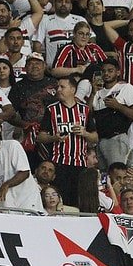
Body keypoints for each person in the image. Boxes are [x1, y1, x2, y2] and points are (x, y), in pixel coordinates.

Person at [37, 76, 98, 204]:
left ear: (73, 89)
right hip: (59, 163)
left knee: (77, 201)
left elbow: (95, 137)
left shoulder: (85, 110)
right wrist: (54, 137)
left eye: (62, 87)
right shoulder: (52, 109)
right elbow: (40, 137)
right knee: (60, 200)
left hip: (80, 165)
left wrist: (84, 133)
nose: (58, 89)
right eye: (57, 87)